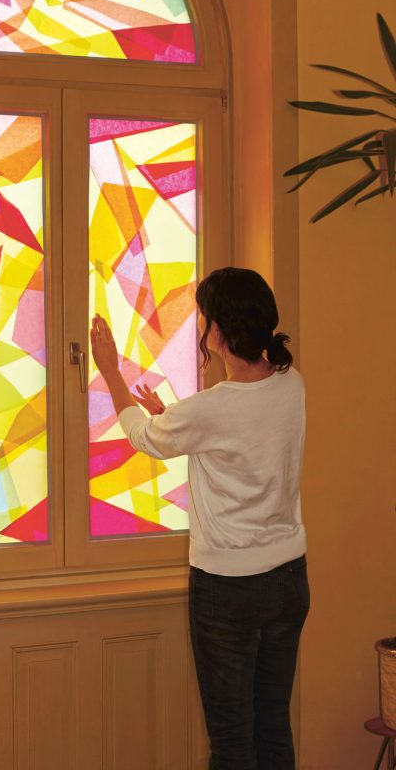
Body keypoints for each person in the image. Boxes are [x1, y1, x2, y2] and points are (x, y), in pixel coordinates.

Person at [89, 266, 309, 770]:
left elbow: (145, 437)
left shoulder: (211, 409)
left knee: (232, 740)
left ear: (219, 333)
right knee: (273, 725)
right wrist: (177, 418)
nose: (200, 327)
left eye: (204, 318)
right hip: (289, 582)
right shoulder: (291, 384)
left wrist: (110, 371)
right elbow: (238, 441)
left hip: (229, 590)